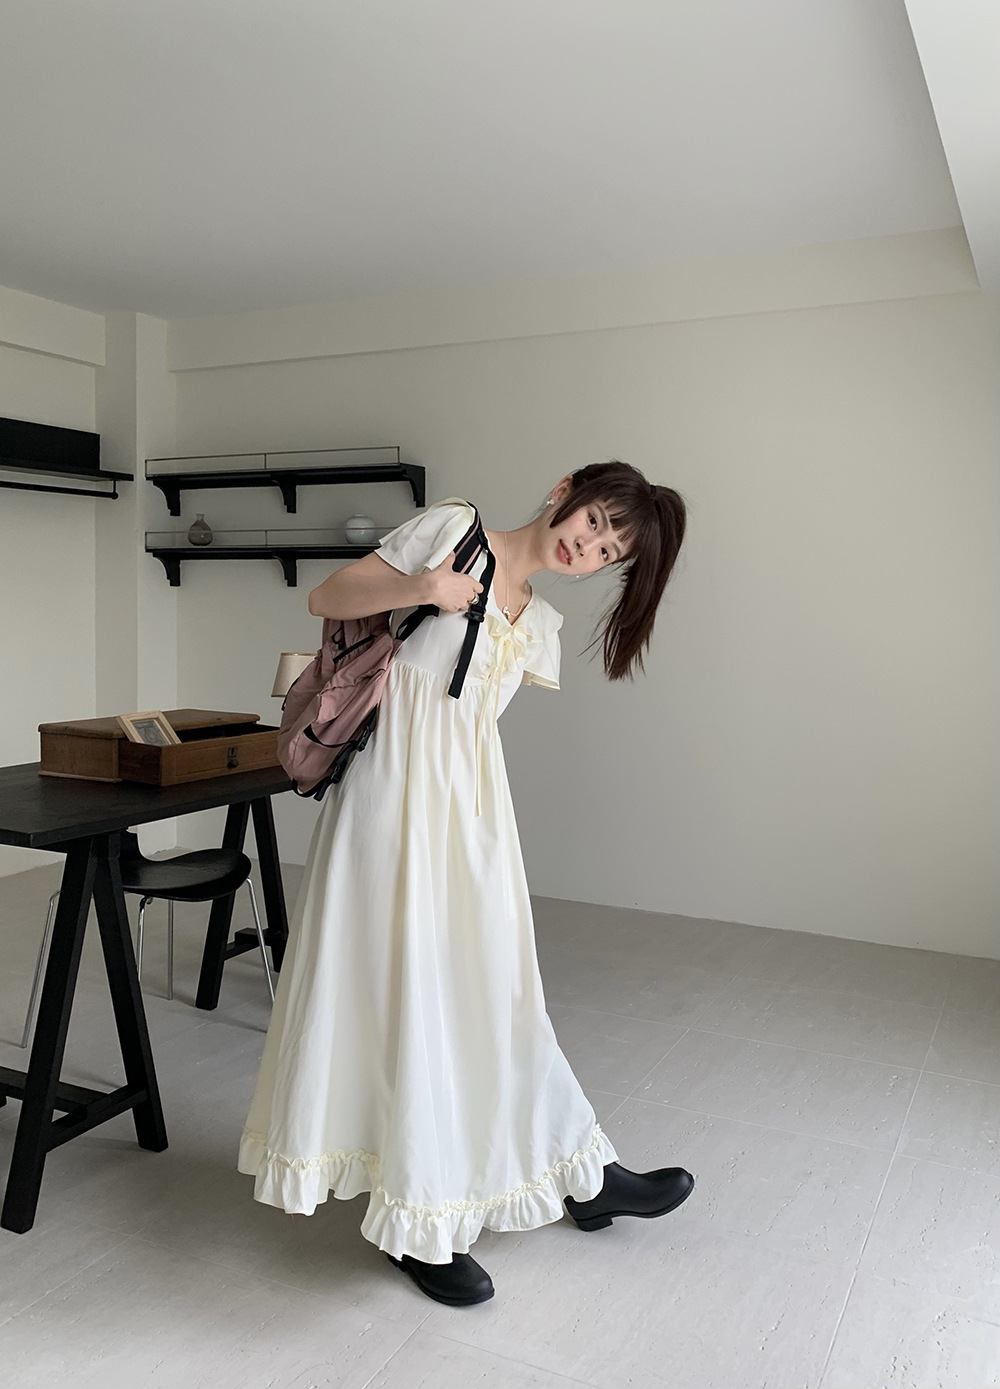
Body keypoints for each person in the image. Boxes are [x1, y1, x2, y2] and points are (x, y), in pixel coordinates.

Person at [238, 460, 692, 1307]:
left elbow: (469, 728)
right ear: (564, 491)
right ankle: (416, 1220)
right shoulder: (454, 529)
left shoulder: (538, 621)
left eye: (608, 552)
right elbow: (328, 597)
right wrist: (426, 587)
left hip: (474, 822)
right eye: (594, 522)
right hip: (390, 805)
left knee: (500, 996)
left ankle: (583, 1171)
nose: (588, 547)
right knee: (410, 1001)